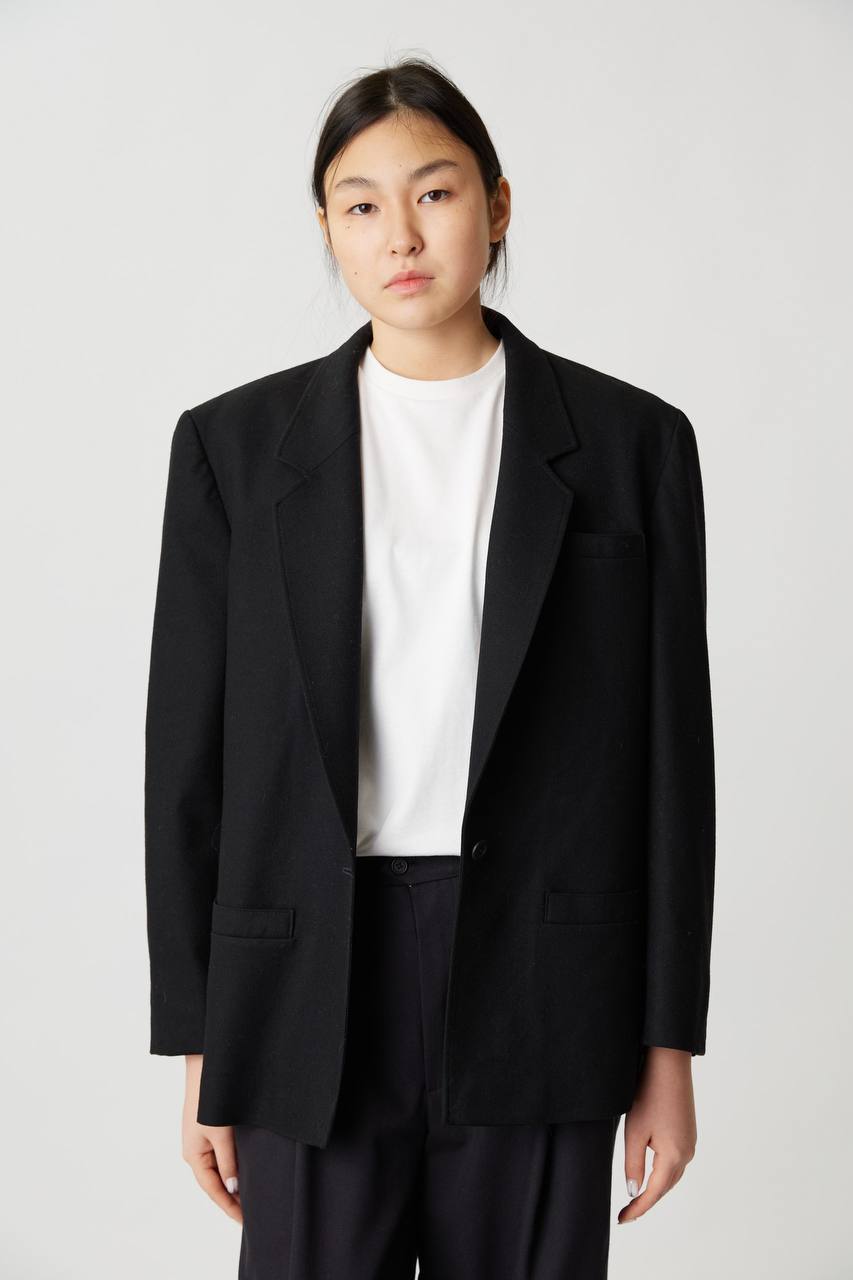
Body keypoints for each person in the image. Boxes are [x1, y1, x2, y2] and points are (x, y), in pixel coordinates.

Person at [145, 56, 716, 1279]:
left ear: (496, 206)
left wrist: (666, 1047)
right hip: (308, 978)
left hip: (545, 971)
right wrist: (205, 1043)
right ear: (327, 230)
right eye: (360, 205)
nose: (399, 235)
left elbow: (675, 768)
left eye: (434, 193)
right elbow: (187, 767)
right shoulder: (232, 452)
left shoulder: (633, 445)